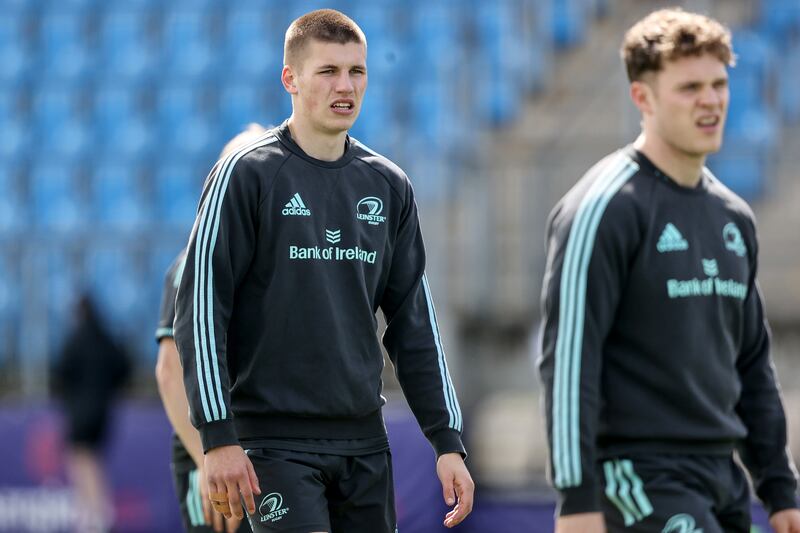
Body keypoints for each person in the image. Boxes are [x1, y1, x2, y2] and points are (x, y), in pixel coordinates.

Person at [173, 9, 473, 533]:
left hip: (364, 443)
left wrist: (446, 440)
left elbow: (414, 324)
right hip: (271, 445)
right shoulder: (246, 174)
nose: (346, 86)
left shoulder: (389, 185)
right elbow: (201, 313)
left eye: (357, 72)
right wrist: (218, 435)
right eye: (328, 71)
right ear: (290, 78)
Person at [538, 8, 800, 533]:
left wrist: (778, 486)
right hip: (634, 477)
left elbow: (751, 364)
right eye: (689, 87)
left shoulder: (732, 216)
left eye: (719, 84)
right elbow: (569, 362)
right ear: (643, 98)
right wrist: (576, 498)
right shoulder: (606, 207)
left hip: (722, 479)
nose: (711, 100)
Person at [155, 125, 267, 533]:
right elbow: (169, 371)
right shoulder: (194, 262)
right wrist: (210, 458)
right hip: (212, 449)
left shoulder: (276, 257)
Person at [51, 294, 131, 533]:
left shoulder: (74, 340)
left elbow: (59, 374)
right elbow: (124, 368)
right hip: (102, 413)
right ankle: (100, 514)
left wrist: (70, 398)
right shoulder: (106, 338)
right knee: (94, 462)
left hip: (79, 415)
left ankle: (92, 519)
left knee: (82, 464)